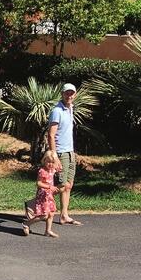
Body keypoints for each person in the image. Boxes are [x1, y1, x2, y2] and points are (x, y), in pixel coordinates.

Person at [47, 82, 82, 226]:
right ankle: (33, 204)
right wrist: (54, 156)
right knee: (62, 185)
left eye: (72, 93)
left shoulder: (70, 108)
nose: (69, 96)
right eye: (67, 93)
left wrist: (72, 152)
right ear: (62, 94)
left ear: (75, 95)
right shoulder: (57, 111)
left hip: (70, 151)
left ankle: (64, 215)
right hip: (60, 152)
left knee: (68, 185)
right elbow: (51, 135)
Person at [21, 150, 61, 237]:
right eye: (48, 162)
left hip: (49, 196)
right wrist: (50, 187)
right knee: (44, 215)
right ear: (44, 161)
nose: (50, 164)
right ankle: (26, 223)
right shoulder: (42, 171)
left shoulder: (52, 170)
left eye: (52, 162)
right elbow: (38, 183)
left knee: (51, 213)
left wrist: (59, 168)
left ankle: (48, 230)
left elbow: (58, 169)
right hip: (42, 196)